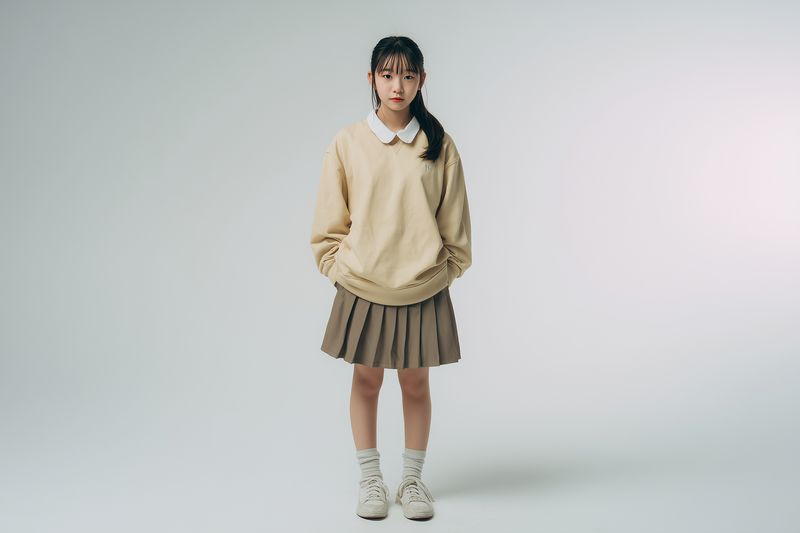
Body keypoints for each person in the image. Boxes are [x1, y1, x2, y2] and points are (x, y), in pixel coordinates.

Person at [309, 35, 472, 521]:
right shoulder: (347, 142)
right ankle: (371, 480)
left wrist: (439, 273)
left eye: (407, 75)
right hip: (362, 286)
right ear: (371, 80)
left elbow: (456, 231)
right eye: (387, 74)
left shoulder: (439, 145)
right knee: (366, 381)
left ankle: (413, 481)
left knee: (416, 384)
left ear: (422, 80)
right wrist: (343, 270)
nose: (396, 85)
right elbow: (327, 227)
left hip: (423, 286)